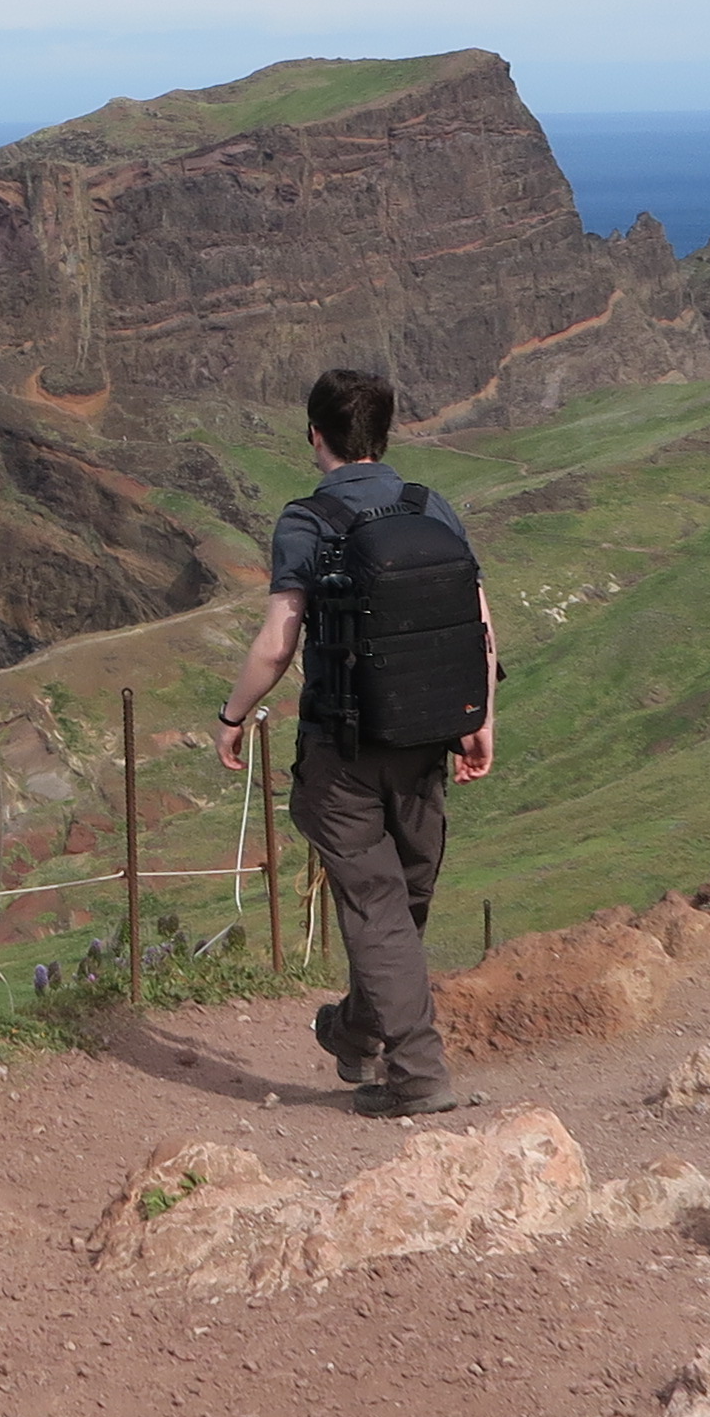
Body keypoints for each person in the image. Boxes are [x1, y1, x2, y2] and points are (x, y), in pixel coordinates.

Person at [212, 364, 497, 1116]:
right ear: (385, 432)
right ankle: (357, 1034)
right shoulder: (431, 507)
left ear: (316, 435)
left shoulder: (308, 520)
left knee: (378, 908)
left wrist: (233, 717)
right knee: (402, 901)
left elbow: (278, 643)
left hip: (341, 748)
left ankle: (417, 1076)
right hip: (425, 738)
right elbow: (477, 622)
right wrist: (479, 717)